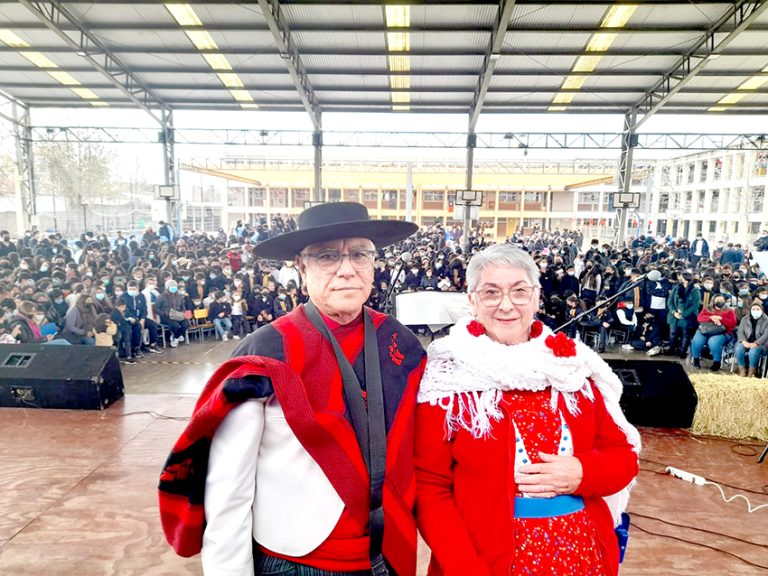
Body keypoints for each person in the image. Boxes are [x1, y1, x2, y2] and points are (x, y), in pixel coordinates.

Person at [159, 202, 426, 576]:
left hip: (388, 554)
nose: (346, 269)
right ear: (302, 267)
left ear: (373, 263)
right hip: (295, 562)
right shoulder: (267, 351)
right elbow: (230, 486)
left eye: (359, 254)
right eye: (327, 256)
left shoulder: (400, 344)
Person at [414, 243, 640, 576]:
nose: (506, 305)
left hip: (582, 555)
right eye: (491, 292)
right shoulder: (447, 379)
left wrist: (583, 472)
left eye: (519, 291)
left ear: (536, 298)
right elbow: (429, 487)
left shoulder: (571, 369)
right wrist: (466, 569)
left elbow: (622, 456)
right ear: (472, 300)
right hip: (486, 562)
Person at [690, 294, 737, 371]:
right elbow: (699, 318)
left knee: (713, 342)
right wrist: (711, 317)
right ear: (713, 301)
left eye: (721, 300)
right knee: (697, 340)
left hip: (722, 332)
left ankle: (717, 362)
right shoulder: (707, 309)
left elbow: (733, 322)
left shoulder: (729, 311)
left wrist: (720, 319)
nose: (720, 301)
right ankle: (696, 358)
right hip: (706, 329)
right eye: (717, 300)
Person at [734, 301, 768, 377]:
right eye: (753, 309)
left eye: (758, 309)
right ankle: (741, 368)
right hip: (746, 341)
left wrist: (756, 343)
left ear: (762, 310)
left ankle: (752, 371)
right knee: (739, 348)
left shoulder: (767, 320)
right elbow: (740, 331)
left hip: (761, 343)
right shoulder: (744, 319)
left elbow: (766, 334)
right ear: (750, 310)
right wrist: (743, 341)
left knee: (753, 351)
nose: (756, 311)